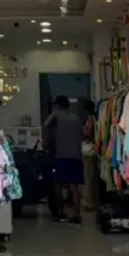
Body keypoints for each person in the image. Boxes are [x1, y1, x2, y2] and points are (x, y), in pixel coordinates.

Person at [43, 95, 84, 225]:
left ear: (58, 105)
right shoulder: (76, 118)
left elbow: (46, 125)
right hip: (76, 156)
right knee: (73, 186)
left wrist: (47, 141)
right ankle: (77, 215)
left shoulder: (56, 114)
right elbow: (82, 134)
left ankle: (61, 213)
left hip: (61, 155)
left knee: (58, 184)